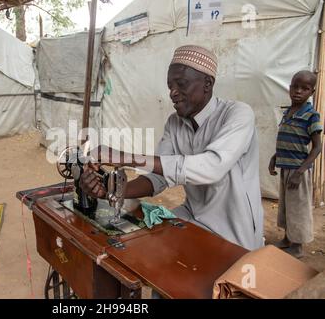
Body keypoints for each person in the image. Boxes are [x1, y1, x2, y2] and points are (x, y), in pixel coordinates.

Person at [81, 45, 264, 251]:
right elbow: (158, 178)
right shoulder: (175, 123)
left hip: (235, 234)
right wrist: (111, 192)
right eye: (170, 86)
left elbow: (212, 168)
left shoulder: (238, 114)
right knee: (142, 250)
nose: (173, 93)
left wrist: (125, 157)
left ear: (208, 83)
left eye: (181, 84)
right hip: (194, 218)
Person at [268, 70, 322, 258]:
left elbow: (317, 147)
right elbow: (286, 140)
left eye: (304, 88)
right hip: (286, 167)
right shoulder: (288, 112)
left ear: (311, 92)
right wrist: (275, 157)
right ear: (290, 88)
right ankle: (288, 238)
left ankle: (297, 246)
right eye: (295, 86)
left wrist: (300, 171)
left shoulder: (311, 115)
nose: (298, 91)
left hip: (298, 171)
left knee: (298, 208)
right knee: (286, 205)